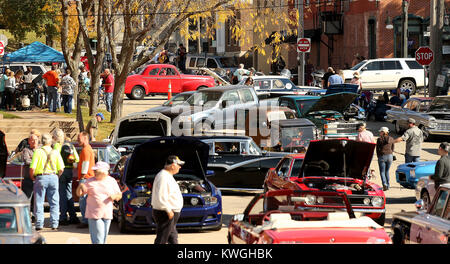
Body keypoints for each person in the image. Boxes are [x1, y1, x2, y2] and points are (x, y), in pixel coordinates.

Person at [76, 161, 121, 244]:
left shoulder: (111, 181)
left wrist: (114, 197)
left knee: (103, 240)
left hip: (107, 214)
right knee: (99, 240)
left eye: (96, 171)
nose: (94, 173)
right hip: (94, 214)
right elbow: (79, 194)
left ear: (104, 172)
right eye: (94, 171)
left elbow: (119, 195)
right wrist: (81, 185)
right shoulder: (89, 181)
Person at [29, 133, 65, 231]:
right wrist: (57, 176)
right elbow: (61, 168)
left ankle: (39, 224)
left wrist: (32, 177)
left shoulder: (38, 152)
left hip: (41, 177)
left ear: (42, 141)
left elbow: (32, 168)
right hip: (53, 176)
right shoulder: (55, 152)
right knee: (54, 201)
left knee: (39, 202)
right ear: (50, 142)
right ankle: (54, 223)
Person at [151, 155, 185, 244]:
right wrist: (168, 210)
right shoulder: (163, 177)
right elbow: (161, 195)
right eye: (179, 165)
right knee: (162, 238)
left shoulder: (167, 175)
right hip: (165, 213)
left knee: (172, 237)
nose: (180, 167)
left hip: (169, 212)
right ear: (173, 165)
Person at [53, 129, 80, 225]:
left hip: (61, 171)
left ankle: (63, 217)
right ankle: (73, 216)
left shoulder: (57, 146)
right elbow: (77, 159)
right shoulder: (70, 145)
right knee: (69, 194)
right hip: (70, 171)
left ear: (56, 137)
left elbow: (54, 159)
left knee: (62, 195)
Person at [76, 131, 96, 228]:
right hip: (88, 177)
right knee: (85, 200)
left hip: (86, 178)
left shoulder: (85, 150)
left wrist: (82, 177)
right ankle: (87, 220)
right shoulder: (87, 149)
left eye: (79, 138)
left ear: (85, 138)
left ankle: (85, 221)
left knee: (83, 200)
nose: (77, 140)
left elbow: (86, 164)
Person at [376, 127, 395, 191]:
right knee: (387, 171)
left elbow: (377, 149)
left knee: (382, 172)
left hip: (382, 156)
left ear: (383, 132)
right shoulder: (391, 138)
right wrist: (391, 154)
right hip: (390, 156)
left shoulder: (379, 139)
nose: (379, 133)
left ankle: (384, 184)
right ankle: (388, 185)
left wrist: (378, 156)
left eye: (380, 132)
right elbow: (393, 148)